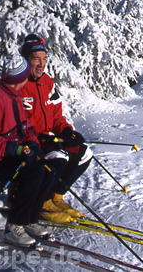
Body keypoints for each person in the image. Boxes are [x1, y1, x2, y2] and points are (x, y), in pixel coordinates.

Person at [0, 54, 66, 246]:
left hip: (1, 154)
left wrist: (32, 144)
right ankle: (15, 226)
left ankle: (29, 220)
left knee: (44, 164)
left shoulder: (13, 95)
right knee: (33, 170)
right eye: (26, 75)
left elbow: (26, 127)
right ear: (20, 78)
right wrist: (15, 150)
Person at [19, 34, 93, 223]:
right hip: (30, 145)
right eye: (36, 59)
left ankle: (55, 196)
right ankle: (42, 204)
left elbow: (57, 117)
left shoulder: (48, 83)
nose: (41, 64)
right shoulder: (19, 86)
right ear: (26, 60)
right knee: (58, 158)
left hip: (48, 140)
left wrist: (67, 132)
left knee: (84, 153)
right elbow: (18, 125)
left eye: (44, 59)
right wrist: (38, 139)